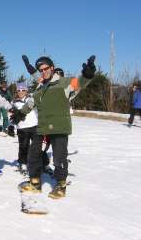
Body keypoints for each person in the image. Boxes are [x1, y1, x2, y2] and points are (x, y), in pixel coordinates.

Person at [14, 55, 96, 199]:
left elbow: (80, 83)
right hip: (43, 127)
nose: (43, 72)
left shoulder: (64, 83)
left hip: (59, 127)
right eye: (41, 70)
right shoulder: (40, 87)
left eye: (46, 69)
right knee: (33, 155)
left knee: (59, 158)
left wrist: (87, 75)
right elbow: (31, 103)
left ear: (52, 68)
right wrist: (20, 114)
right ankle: (35, 183)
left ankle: (60, 185)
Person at [11, 82, 38, 175]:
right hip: (22, 128)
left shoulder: (32, 99)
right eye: (19, 90)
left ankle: (42, 163)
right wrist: (11, 125)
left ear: (26, 90)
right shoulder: (14, 102)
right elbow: (12, 116)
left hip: (34, 126)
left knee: (37, 147)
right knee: (23, 146)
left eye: (23, 90)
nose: (21, 92)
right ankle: (22, 163)